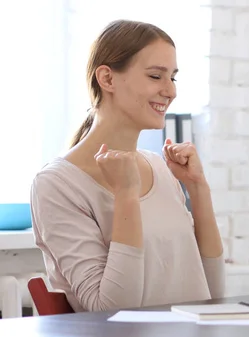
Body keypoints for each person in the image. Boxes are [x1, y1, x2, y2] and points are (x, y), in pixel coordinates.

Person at [29, 19, 225, 312]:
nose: (170, 91)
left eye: (173, 77)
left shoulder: (159, 167)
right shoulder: (57, 184)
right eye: (155, 76)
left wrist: (198, 188)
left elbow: (213, 295)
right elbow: (113, 310)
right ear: (107, 79)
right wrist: (126, 194)